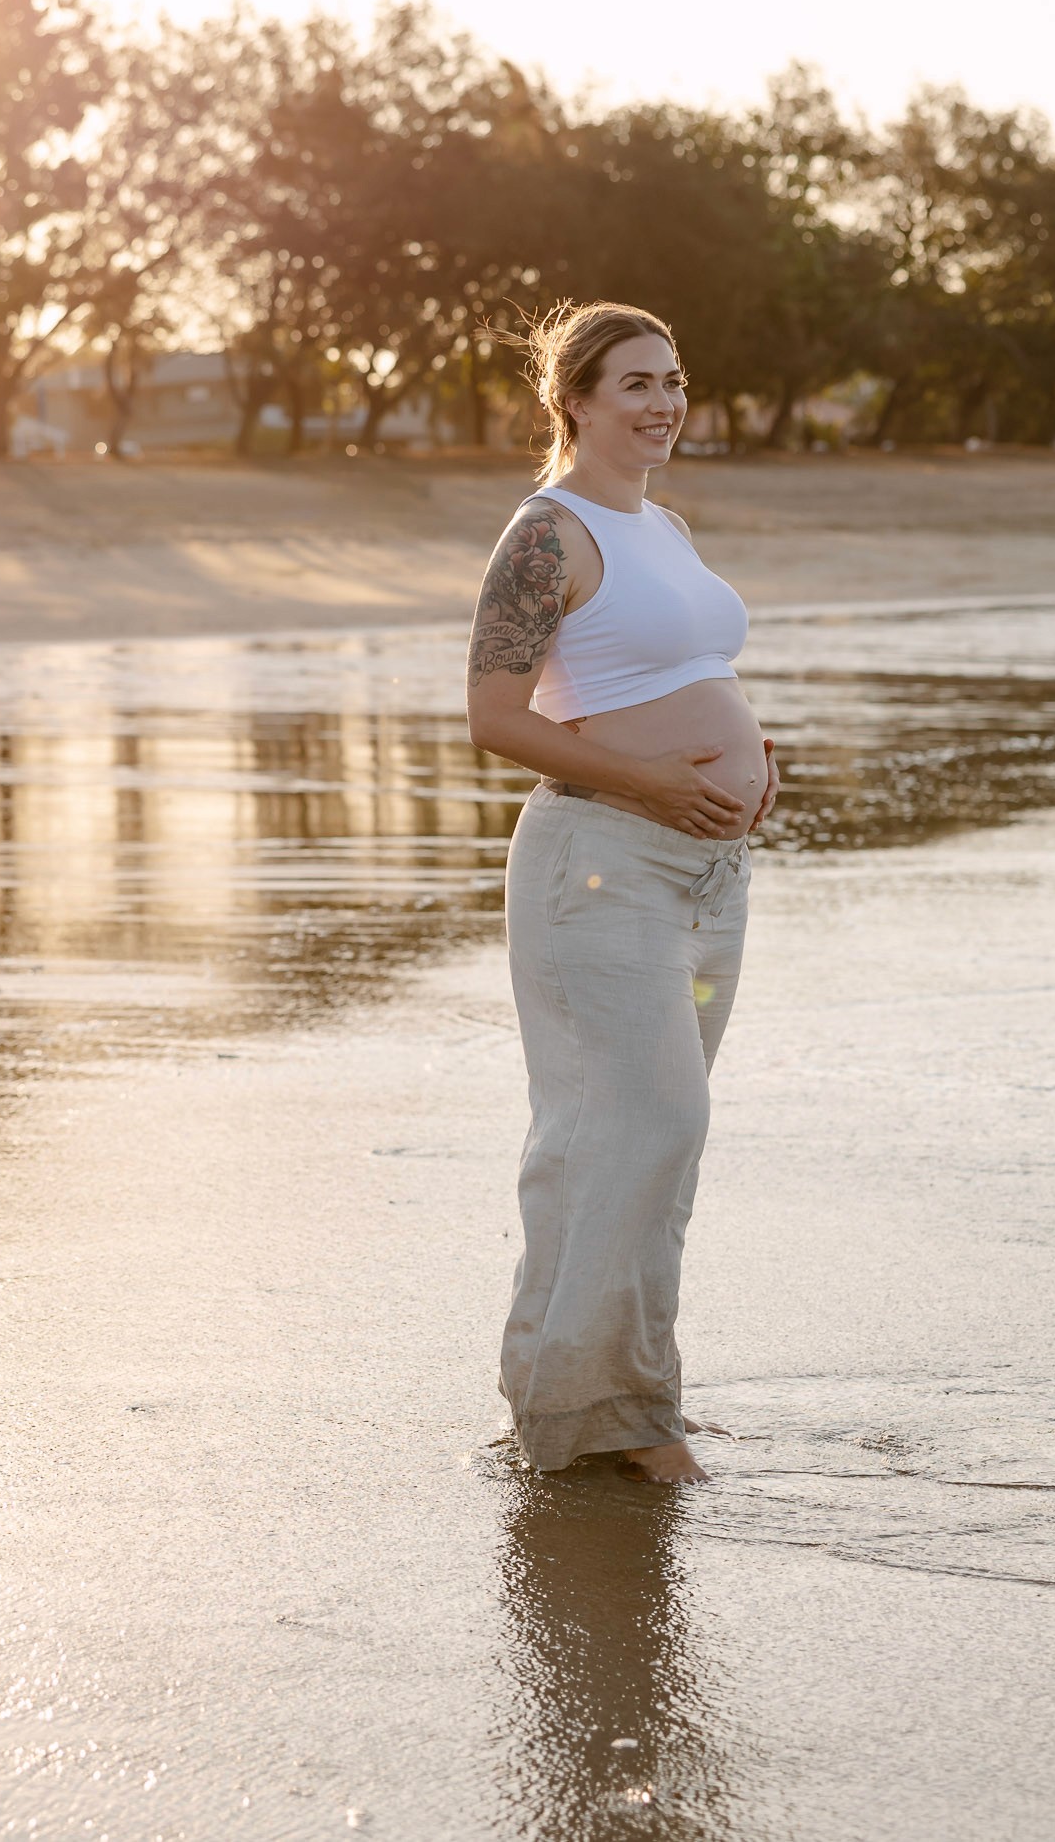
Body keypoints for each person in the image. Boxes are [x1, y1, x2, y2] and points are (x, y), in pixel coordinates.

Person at [466, 301, 778, 1484]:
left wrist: (750, 757)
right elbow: (494, 717)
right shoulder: (545, 534)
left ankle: (586, 1401)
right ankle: (620, 1415)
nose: (662, 403)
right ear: (574, 400)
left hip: (704, 874)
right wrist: (655, 779)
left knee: (639, 1139)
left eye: (673, 379)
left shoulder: (663, 525)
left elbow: (682, 667)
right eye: (635, 383)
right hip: (597, 866)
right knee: (645, 1123)